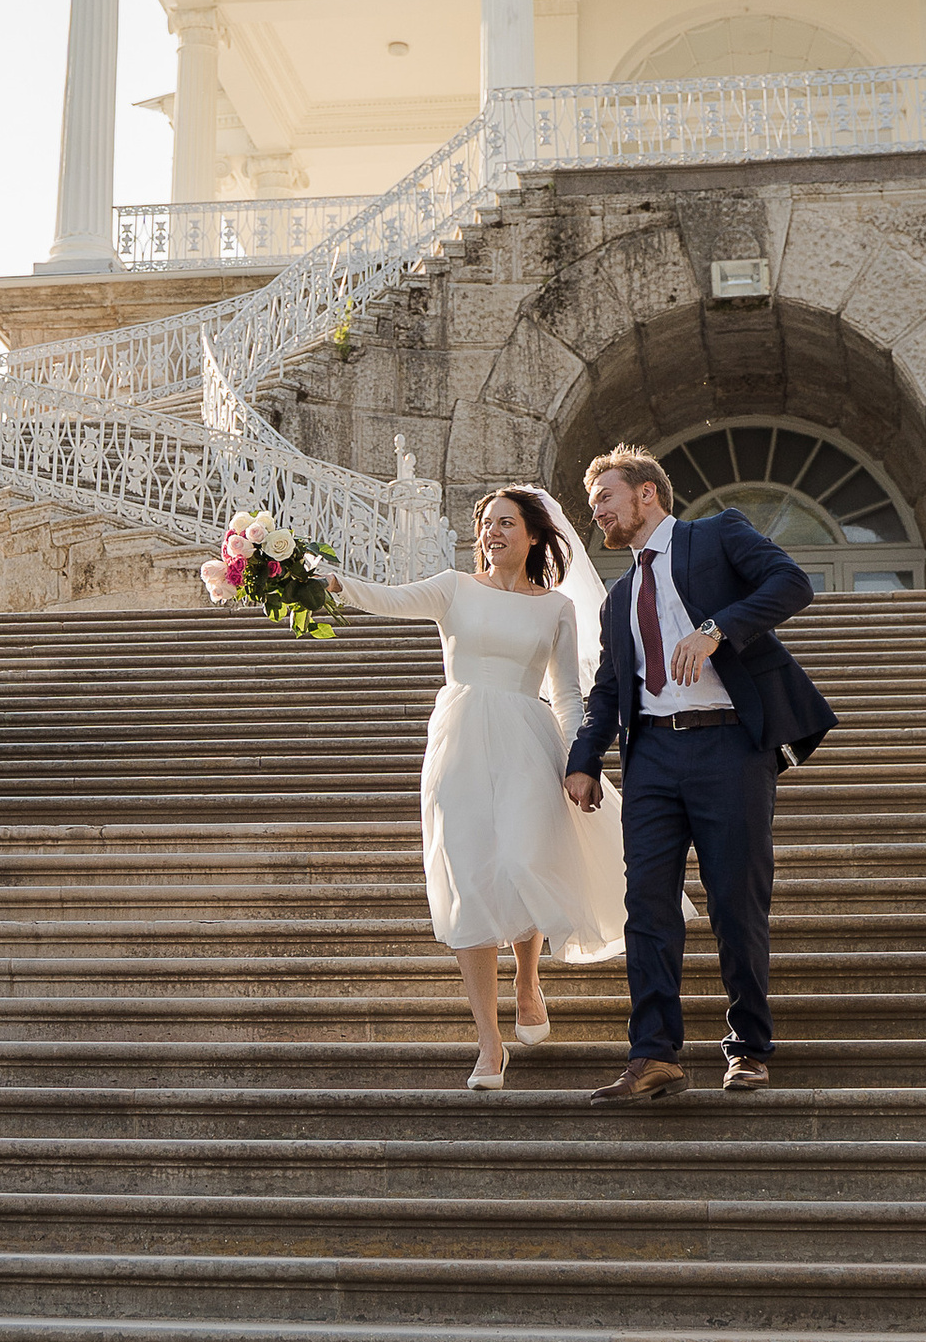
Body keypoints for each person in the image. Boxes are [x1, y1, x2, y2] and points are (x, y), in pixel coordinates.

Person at [565, 444, 838, 1104]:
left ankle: (748, 1048)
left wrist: (717, 628)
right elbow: (608, 691)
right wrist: (583, 759)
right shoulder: (620, 597)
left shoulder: (716, 535)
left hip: (727, 747)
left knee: (736, 900)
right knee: (647, 908)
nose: (595, 511)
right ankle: (654, 1055)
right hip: (652, 757)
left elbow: (791, 583)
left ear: (647, 494)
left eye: (605, 496)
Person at [342, 485, 624, 1091]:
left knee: (523, 859)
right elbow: (385, 598)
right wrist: (323, 578)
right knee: (470, 880)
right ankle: (489, 1044)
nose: (492, 532)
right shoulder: (453, 588)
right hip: (460, 742)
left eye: (506, 523)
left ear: (532, 535)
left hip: (528, 736)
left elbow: (570, 692)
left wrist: (583, 760)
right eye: (485, 523)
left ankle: (526, 981)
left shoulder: (554, 608)